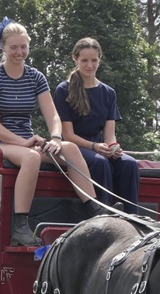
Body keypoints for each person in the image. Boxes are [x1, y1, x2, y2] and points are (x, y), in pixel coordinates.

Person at [0, 19, 104, 246]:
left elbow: (53, 116)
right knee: (32, 157)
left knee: (71, 149)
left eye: (23, 47)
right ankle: (20, 226)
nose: (19, 52)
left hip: (26, 140)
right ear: (3, 47)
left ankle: (94, 212)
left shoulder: (36, 77)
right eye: (14, 47)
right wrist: (25, 143)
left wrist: (55, 138)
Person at [53, 37, 140, 213]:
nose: (89, 65)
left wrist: (113, 147)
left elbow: (109, 134)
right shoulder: (63, 90)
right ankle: (103, 214)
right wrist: (95, 147)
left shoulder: (109, 93)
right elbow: (68, 135)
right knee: (100, 163)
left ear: (100, 59)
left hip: (99, 145)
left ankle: (132, 217)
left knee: (129, 164)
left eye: (94, 60)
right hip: (73, 147)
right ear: (75, 59)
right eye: (84, 60)